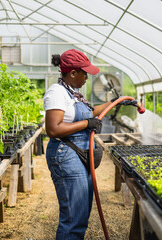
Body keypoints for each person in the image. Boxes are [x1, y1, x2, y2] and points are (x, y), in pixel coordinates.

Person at [43, 49, 116, 239]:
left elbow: (90, 112)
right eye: (84, 73)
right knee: (73, 217)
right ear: (73, 73)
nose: (86, 77)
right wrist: (86, 124)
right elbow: (52, 129)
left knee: (82, 211)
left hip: (76, 153)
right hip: (65, 153)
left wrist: (115, 103)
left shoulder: (72, 93)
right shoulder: (57, 92)